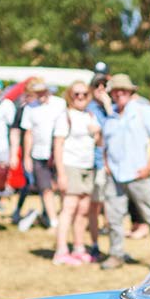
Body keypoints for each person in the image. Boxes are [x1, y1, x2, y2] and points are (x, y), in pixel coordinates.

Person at [99, 73, 150, 269]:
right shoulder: (110, 116)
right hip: (115, 175)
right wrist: (106, 164)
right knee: (113, 218)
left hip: (138, 173)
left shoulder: (143, 111)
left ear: (130, 92)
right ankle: (116, 254)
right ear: (111, 93)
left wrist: (148, 167)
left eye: (123, 90)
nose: (119, 93)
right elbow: (105, 144)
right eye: (116, 90)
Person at [51, 81, 102, 265]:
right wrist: (61, 173)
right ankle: (61, 250)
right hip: (70, 166)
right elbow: (58, 146)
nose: (80, 97)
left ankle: (79, 247)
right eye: (76, 94)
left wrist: (97, 134)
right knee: (69, 208)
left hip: (87, 167)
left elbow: (99, 143)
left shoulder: (90, 116)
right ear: (70, 96)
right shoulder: (65, 116)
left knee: (83, 210)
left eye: (84, 94)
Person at [18, 78, 67, 231]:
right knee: (45, 188)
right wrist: (27, 156)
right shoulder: (30, 109)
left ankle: (65, 216)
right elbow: (28, 133)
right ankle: (53, 221)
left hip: (59, 152)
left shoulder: (59, 104)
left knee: (62, 186)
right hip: (39, 154)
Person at [84, 74, 113, 256]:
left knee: (111, 206)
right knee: (95, 205)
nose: (101, 90)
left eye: (104, 86)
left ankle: (113, 248)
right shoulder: (89, 109)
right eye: (97, 86)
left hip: (112, 165)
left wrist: (109, 107)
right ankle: (95, 245)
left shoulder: (114, 109)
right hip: (96, 163)